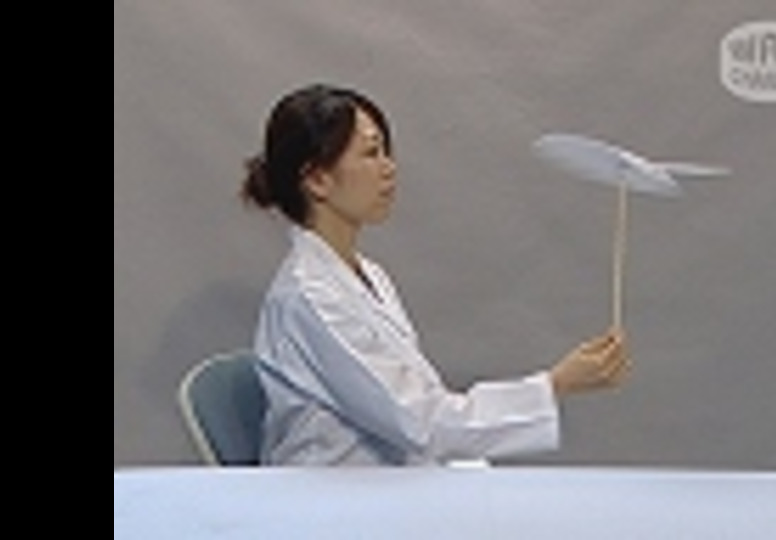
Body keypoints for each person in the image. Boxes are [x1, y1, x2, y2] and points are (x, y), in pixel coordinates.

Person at [242, 83, 630, 466]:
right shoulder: (308, 299)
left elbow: (423, 408)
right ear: (317, 179)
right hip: (334, 497)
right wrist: (556, 384)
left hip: (391, 483)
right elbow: (421, 421)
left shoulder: (369, 277)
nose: (389, 168)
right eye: (371, 153)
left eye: (386, 152)